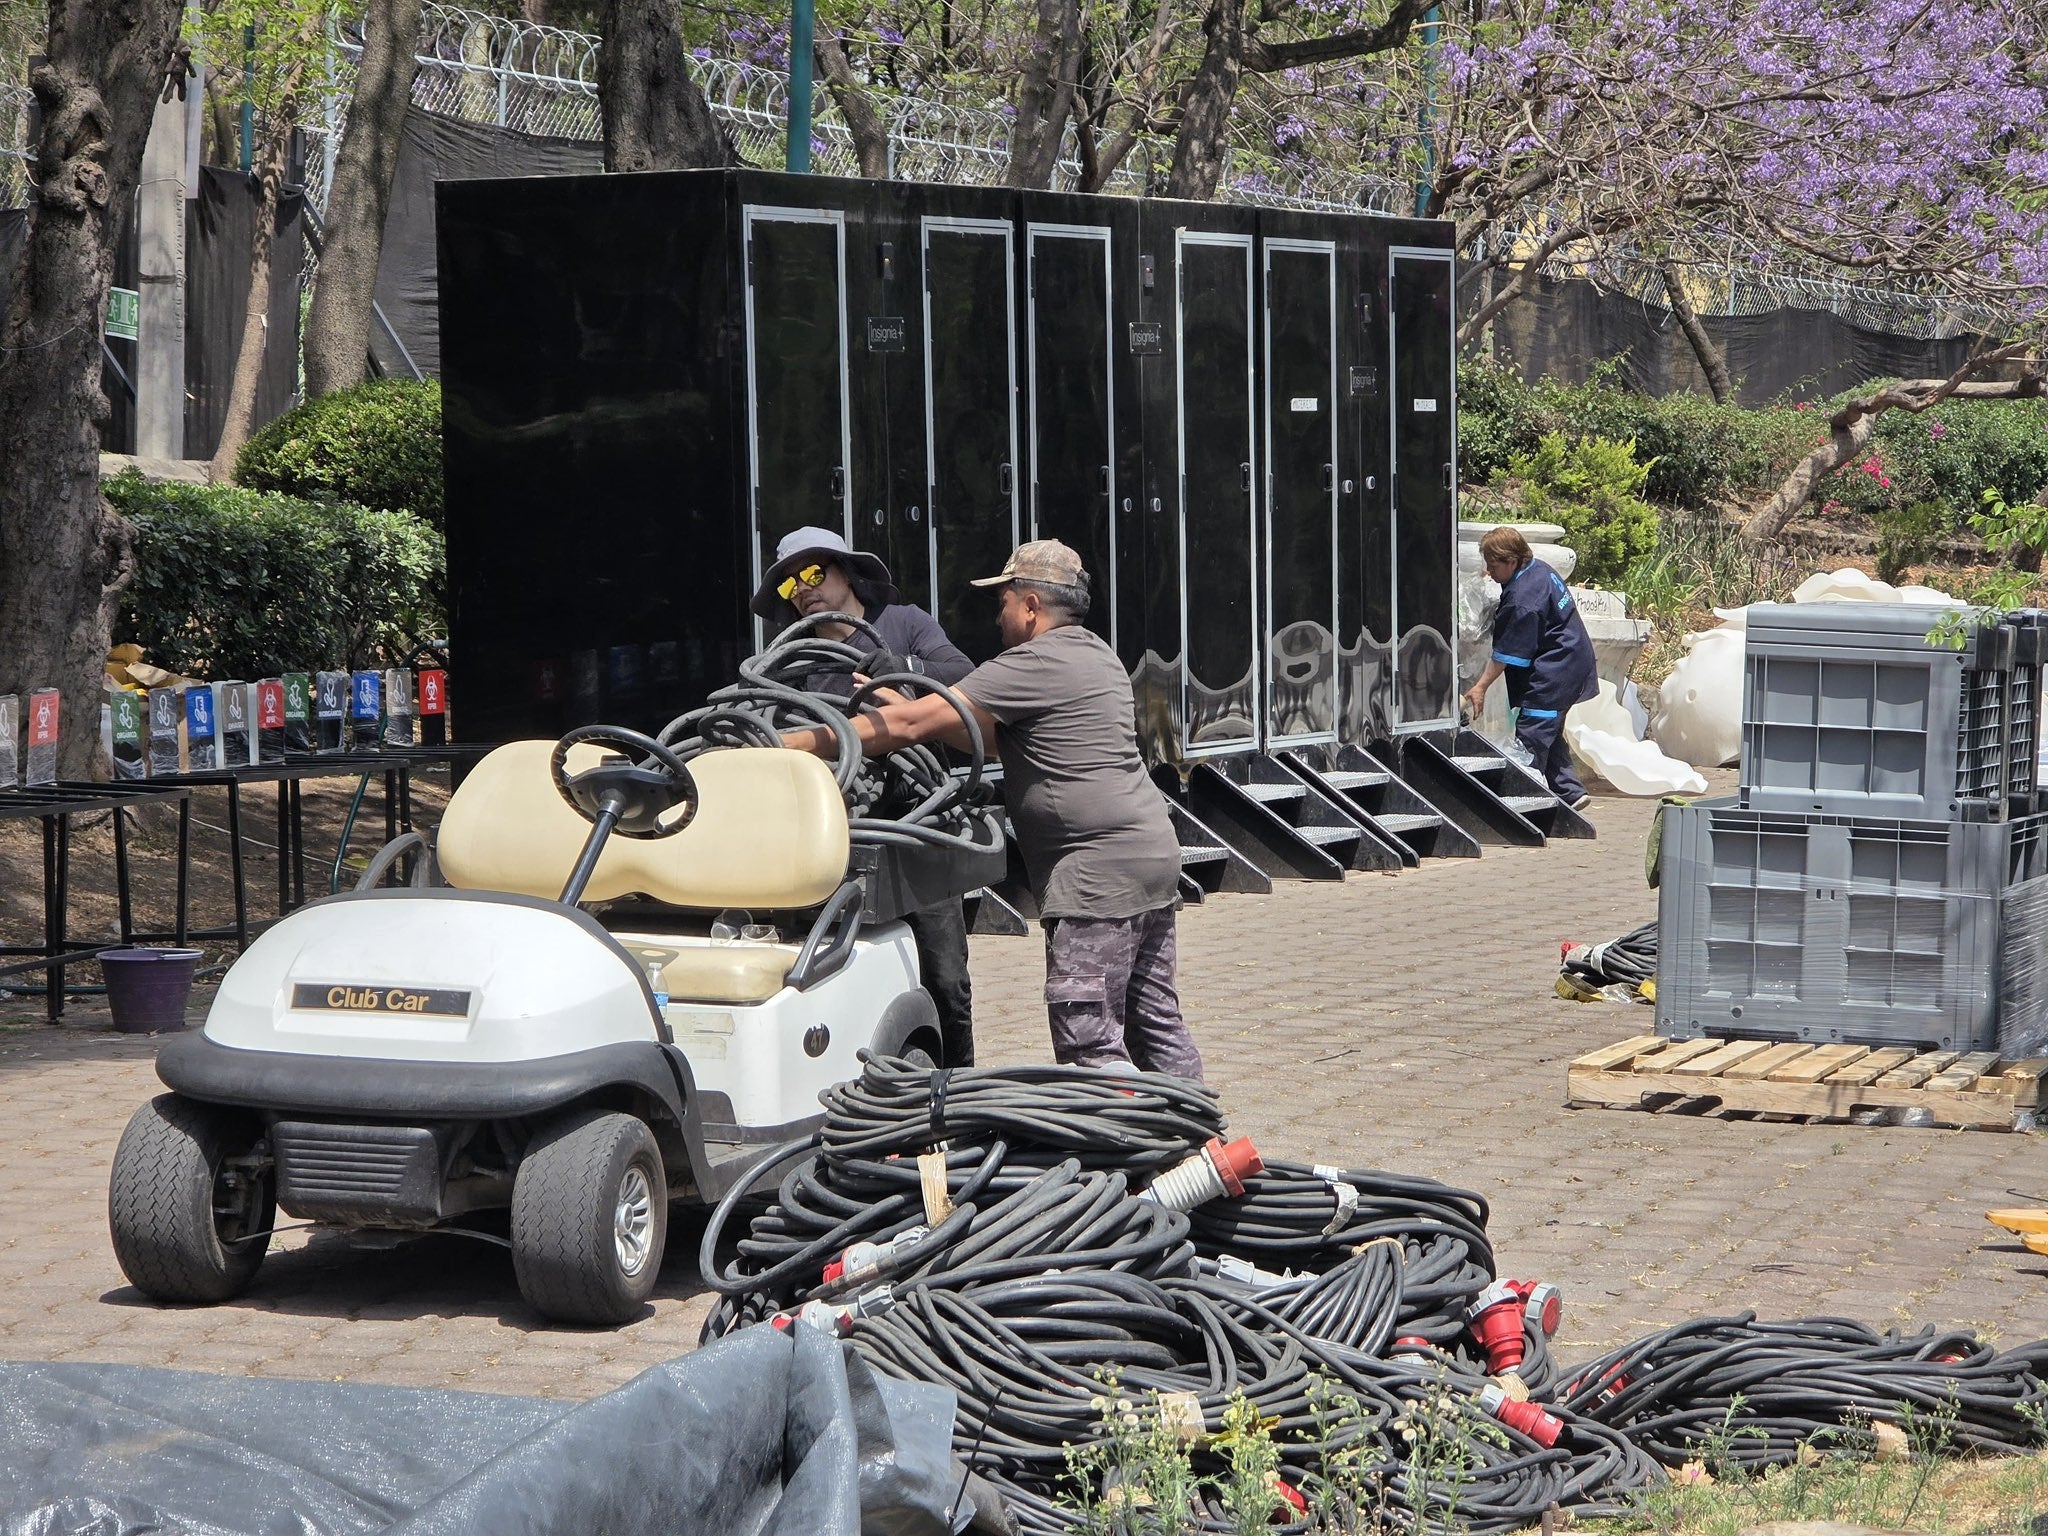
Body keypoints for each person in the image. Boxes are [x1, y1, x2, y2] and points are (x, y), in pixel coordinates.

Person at [778, 539, 1202, 1081]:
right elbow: (1003, 743)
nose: (996, 614)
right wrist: (920, 711)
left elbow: (910, 729)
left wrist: (783, 748)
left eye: (1003, 600)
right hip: (1151, 858)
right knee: (1155, 1022)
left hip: (1096, 879)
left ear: (1030, 606)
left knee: (1089, 1038)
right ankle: (1202, 1151)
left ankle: (1124, 1153)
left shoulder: (1031, 662)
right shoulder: (1097, 655)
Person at [751, 527, 977, 1067]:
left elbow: (965, 679)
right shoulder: (787, 658)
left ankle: (961, 1098)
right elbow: (758, 720)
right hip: (828, 831)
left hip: (916, 824)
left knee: (946, 977)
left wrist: (903, 671)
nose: (802, 588)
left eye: (812, 573)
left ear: (845, 572)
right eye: (789, 584)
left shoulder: (902, 624)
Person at [1461, 525, 1598, 810]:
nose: (1489, 572)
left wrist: (1480, 687)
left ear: (1511, 561)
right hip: (1572, 659)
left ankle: (1525, 804)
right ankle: (1571, 792)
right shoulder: (1539, 569)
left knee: (1532, 733)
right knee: (1549, 727)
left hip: (1556, 670)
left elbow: (1507, 654)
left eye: (1493, 565)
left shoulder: (1523, 600)